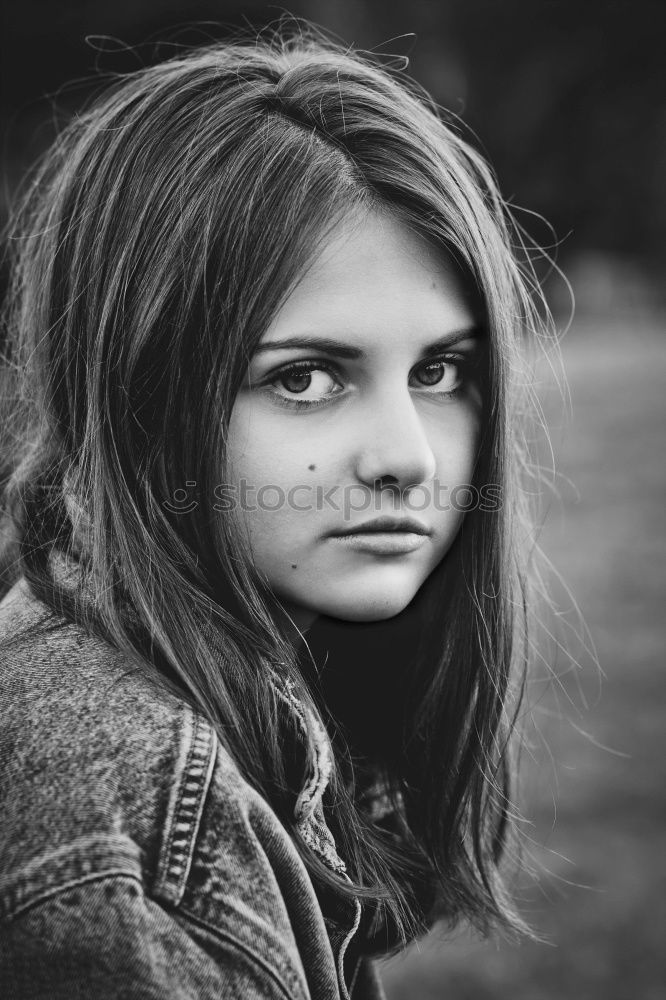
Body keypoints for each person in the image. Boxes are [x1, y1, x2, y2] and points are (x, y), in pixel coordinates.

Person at [0, 27, 551, 1000]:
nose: (407, 459)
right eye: (304, 377)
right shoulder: (112, 805)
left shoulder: (251, 689)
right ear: (139, 391)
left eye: (441, 371)